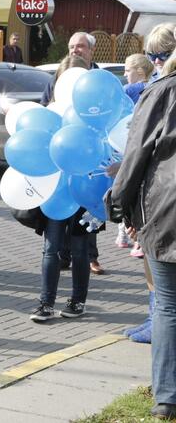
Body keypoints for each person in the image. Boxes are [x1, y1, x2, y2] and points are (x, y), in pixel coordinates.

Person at [110, 52, 176, 420]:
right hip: (166, 209)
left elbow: (136, 153)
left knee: (168, 305)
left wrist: (119, 203)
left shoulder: (160, 92)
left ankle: (167, 396)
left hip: (166, 210)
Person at [40, 32, 104, 275]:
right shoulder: (58, 76)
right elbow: (47, 106)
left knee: (89, 208)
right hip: (62, 153)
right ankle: (63, 255)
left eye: (80, 46)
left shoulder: (99, 78)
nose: (75, 50)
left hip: (89, 154)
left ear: (91, 50)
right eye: (71, 46)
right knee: (62, 205)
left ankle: (91, 257)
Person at [116, 53, 153, 259]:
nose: (125, 74)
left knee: (127, 189)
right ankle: (130, 236)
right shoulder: (157, 84)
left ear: (139, 72)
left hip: (129, 145)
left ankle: (129, 235)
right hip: (143, 146)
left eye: (127, 70)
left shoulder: (130, 90)